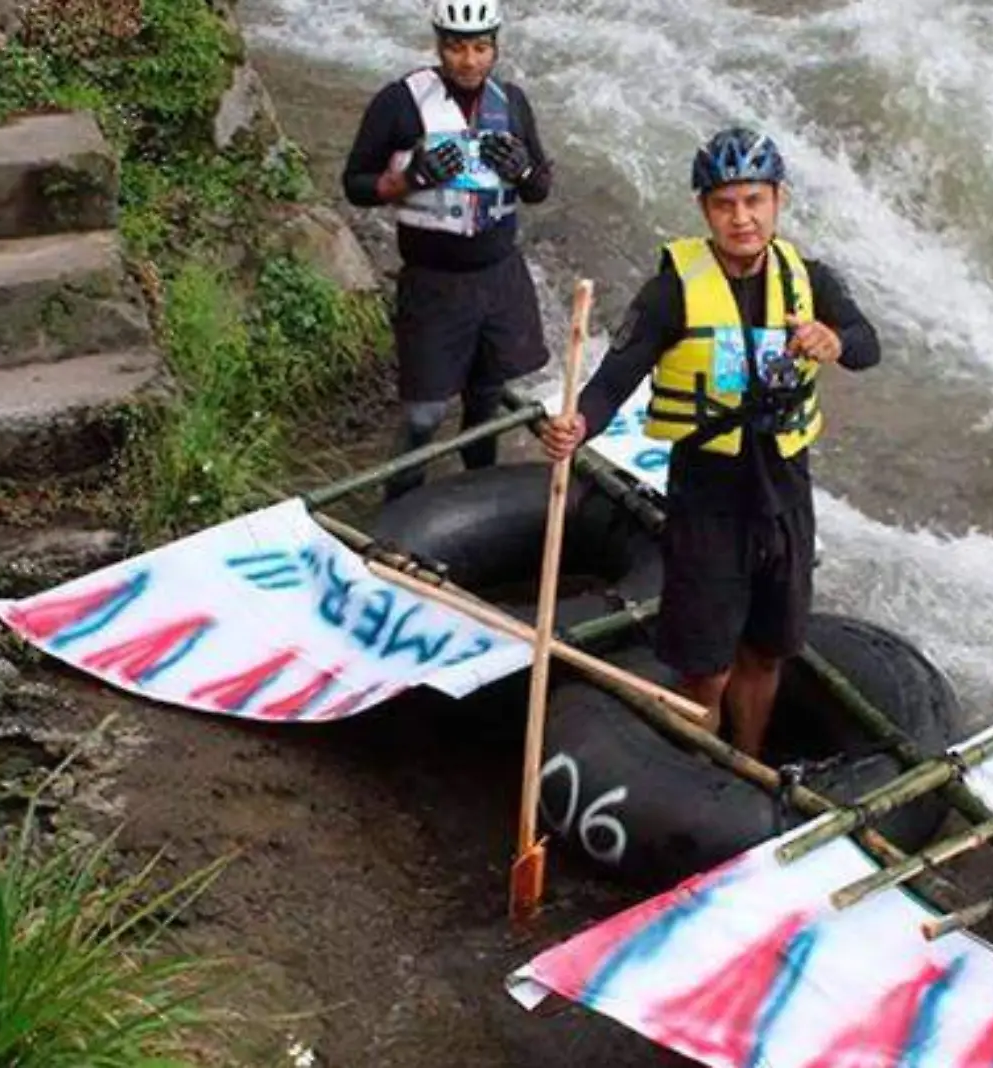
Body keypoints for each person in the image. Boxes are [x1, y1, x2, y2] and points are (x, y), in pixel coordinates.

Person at [540, 127, 881, 759]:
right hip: (708, 492)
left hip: (784, 490)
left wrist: (834, 341)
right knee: (708, 662)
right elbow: (617, 376)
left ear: (777, 200)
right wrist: (579, 423)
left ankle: (746, 759)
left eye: (753, 201)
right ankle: (702, 760)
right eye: (725, 204)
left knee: (767, 647)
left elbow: (868, 344)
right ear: (705, 210)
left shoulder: (809, 280)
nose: (741, 218)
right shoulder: (673, 288)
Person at [341, 0, 555, 500]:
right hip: (433, 283)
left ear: (495, 46)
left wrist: (523, 170)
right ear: (440, 46)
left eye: (481, 48)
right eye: (457, 48)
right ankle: (398, 507)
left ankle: (478, 498)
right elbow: (354, 183)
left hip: (499, 279)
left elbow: (539, 188)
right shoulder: (399, 103)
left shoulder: (514, 103)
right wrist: (405, 180)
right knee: (424, 415)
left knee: (484, 403)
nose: (469, 61)